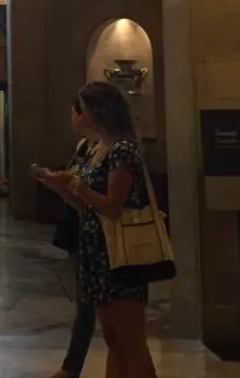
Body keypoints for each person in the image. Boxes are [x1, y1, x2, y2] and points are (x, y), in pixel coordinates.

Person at [39, 81, 157, 378]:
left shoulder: (122, 151)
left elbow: (113, 206)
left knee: (132, 343)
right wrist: (62, 189)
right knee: (114, 340)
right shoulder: (98, 151)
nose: (76, 115)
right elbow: (87, 208)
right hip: (97, 255)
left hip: (119, 258)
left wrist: (76, 184)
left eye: (81, 108)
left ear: (96, 111)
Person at [40, 133, 100, 378]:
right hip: (83, 232)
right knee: (85, 306)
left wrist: (73, 184)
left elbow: (108, 205)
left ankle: (71, 367)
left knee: (120, 329)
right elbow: (81, 203)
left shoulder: (116, 150)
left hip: (103, 240)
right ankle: (71, 367)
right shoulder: (85, 146)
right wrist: (62, 187)